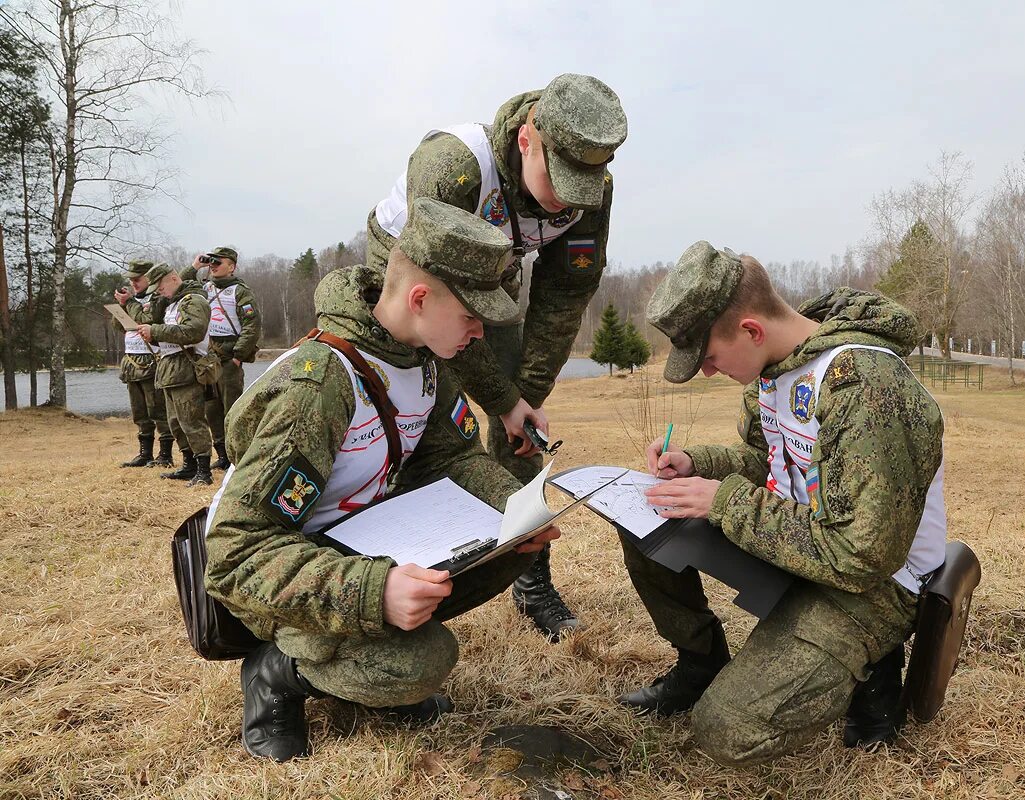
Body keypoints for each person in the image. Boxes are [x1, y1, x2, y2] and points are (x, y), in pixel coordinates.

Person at [204, 198, 561, 762]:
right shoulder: (319, 385)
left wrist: (517, 510)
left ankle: (361, 644)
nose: (478, 335)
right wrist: (374, 592)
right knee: (421, 661)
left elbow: (453, 459)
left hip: (357, 540)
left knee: (509, 549)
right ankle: (276, 672)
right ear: (420, 299)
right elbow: (234, 555)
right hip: (279, 566)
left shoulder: (423, 356)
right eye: (472, 318)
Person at [618, 241, 947, 765]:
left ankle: (873, 668)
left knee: (725, 730)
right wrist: (697, 464)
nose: (706, 372)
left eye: (708, 357)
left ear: (750, 330)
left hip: (874, 584)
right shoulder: (774, 369)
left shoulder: (867, 388)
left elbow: (861, 556)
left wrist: (724, 502)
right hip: (804, 545)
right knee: (648, 524)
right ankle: (700, 663)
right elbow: (767, 458)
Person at [363, 73, 628, 641]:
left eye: (585, 185)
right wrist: (499, 396)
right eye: (558, 181)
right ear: (529, 136)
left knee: (519, 434)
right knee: (426, 425)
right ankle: (383, 571)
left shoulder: (589, 191)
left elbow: (564, 294)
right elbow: (429, 298)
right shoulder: (454, 166)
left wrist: (523, 397)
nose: (567, 201)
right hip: (410, 286)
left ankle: (529, 578)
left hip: (489, 291)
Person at [181, 247, 261, 471]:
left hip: (228, 357)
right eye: (211, 262)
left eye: (219, 262)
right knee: (211, 409)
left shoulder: (240, 291)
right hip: (207, 359)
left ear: (232, 266)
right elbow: (178, 287)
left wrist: (238, 356)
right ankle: (222, 454)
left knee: (232, 408)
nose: (213, 265)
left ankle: (239, 455)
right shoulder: (204, 287)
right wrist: (196, 266)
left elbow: (252, 326)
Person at [135, 263, 214, 487]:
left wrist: (156, 331)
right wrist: (153, 335)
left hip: (187, 368)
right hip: (171, 369)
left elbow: (194, 331)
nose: (159, 293)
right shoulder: (173, 305)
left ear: (172, 279)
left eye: (160, 288)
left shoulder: (193, 301)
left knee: (191, 420)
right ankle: (189, 465)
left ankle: (203, 471)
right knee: (176, 422)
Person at [112, 259, 173, 467]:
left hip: (152, 359)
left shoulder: (158, 298)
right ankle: (145, 453)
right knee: (140, 412)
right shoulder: (132, 300)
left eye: (137, 279)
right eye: (131, 280)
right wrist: (122, 306)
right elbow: (120, 326)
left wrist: (129, 303)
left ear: (149, 277)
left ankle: (165, 455)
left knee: (158, 410)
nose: (134, 284)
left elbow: (147, 319)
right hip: (132, 358)